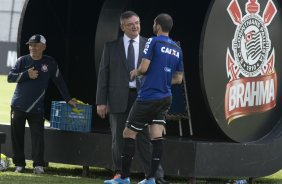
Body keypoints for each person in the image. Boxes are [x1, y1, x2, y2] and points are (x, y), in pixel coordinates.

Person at [104, 13, 183, 184]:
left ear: (158, 26)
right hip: (165, 97)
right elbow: (178, 79)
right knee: (156, 136)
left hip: (147, 96)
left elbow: (144, 67)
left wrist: (136, 72)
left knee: (128, 133)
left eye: (152, 23)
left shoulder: (152, 41)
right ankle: (151, 179)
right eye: (130, 24)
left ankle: (123, 178)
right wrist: (161, 77)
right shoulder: (177, 48)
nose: (136, 26)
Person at [7, 34, 76, 174]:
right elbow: (10, 77)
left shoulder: (50, 63)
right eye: (31, 45)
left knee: (38, 138)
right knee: (17, 136)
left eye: (36, 45)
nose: (33, 47)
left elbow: (59, 81)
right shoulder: (22, 60)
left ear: (43, 47)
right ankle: (19, 164)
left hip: (37, 108)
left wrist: (68, 99)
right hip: (18, 106)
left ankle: (38, 165)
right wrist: (27, 74)